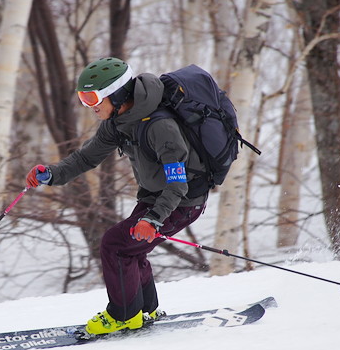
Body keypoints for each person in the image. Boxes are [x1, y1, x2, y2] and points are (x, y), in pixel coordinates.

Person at [26, 57, 208, 335]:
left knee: (115, 244)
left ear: (118, 94)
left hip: (181, 200)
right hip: (153, 196)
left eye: (92, 98)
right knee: (131, 248)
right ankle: (145, 310)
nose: (89, 106)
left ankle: (123, 315)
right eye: (83, 98)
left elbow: (177, 184)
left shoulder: (161, 127)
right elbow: (87, 157)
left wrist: (155, 219)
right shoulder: (118, 121)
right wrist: (52, 173)